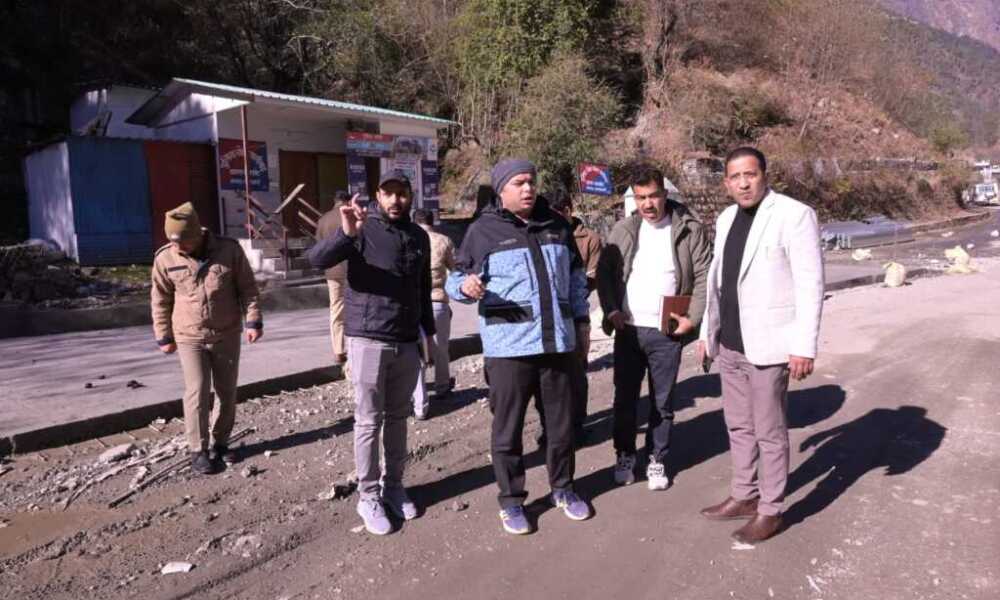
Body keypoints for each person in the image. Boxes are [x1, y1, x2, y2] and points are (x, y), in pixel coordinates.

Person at [446, 158, 592, 535]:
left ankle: (563, 489)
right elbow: (455, 279)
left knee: (561, 427)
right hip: (508, 350)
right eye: (519, 183)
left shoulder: (557, 226)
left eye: (531, 181)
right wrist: (464, 287)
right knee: (507, 432)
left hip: (556, 346)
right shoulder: (482, 231)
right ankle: (512, 501)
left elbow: (577, 279)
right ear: (501, 190)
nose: (528, 188)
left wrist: (582, 323)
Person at [697, 147, 824, 543]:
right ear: (726, 183)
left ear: (764, 175)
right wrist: (706, 334)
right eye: (735, 177)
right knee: (738, 425)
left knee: (769, 431)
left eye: (750, 174)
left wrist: (803, 345)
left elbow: (810, 284)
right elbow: (718, 282)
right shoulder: (725, 218)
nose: (743, 183)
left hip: (770, 345)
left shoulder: (794, 215)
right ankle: (744, 494)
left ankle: (771, 509)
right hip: (731, 343)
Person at [306, 169, 435, 536]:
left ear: (410, 196)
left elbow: (423, 287)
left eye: (402, 193)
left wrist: (428, 334)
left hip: (406, 341)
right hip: (368, 339)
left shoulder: (418, 236)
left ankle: (393, 487)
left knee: (398, 418)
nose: (395, 200)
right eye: (388, 192)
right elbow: (316, 259)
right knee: (368, 421)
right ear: (378, 195)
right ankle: (368, 495)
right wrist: (347, 234)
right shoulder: (360, 228)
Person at [596, 165, 712, 490]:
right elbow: (605, 274)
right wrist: (611, 309)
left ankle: (656, 459)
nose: (647, 204)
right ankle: (624, 455)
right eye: (641, 197)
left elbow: (704, 275)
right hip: (629, 330)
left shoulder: (689, 228)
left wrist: (693, 318)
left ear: (665, 194)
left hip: (667, 331)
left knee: (662, 401)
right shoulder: (623, 229)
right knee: (625, 400)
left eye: (653, 196)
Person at [151, 202, 262, 475]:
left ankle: (220, 443)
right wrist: (163, 334)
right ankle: (197, 450)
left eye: (184, 241)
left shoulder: (229, 250)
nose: (179, 247)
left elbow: (248, 288)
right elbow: (160, 299)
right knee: (197, 390)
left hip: (226, 333)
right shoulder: (165, 258)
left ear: (197, 234)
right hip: (188, 335)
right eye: (173, 242)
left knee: (226, 391)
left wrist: (253, 321)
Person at [539, 191, 602, 444]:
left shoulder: (589, 239)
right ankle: (550, 428)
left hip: (575, 315)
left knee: (576, 375)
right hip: (548, 318)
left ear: (568, 210)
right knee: (548, 378)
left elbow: (593, 275)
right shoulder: (542, 233)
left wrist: (573, 287)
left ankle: (577, 425)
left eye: (558, 213)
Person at [410, 208, 456, 420]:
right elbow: (455, 270)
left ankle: (420, 402)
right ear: (432, 221)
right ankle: (442, 386)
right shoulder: (444, 241)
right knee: (440, 348)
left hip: (412, 303)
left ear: (414, 221)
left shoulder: (408, 238)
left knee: (415, 353)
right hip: (437, 300)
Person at [316, 190, 352, 366]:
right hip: (352, 270)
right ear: (348, 201)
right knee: (355, 308)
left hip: (332, 271)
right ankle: (353, 347)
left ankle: (338, 350)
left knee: (336, 309)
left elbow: (320, 247)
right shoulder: (351, 215)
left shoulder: (323, 220)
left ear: (334, 200)